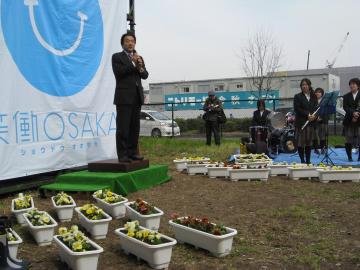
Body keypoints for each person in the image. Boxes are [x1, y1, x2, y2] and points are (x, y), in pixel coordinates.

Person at [112, 32, 149, 163]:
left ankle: (133, 152)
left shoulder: (139, 58)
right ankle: (123, 155)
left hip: (136, 97)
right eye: (127, 41)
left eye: (132, 41)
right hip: (123, 97)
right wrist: (133, 64)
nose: (130, 43)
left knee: (134, 127)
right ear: (123, 44)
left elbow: (145, 75)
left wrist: (140, 67)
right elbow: (119, 73)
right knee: (123, 127)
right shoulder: (117, 57)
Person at [293, 78, 317, 164]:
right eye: (303, 85)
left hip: (310, 123)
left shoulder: (314, 97)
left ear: (309, 86)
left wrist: (314, 116)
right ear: (301, 86)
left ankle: (308, 161)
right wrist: (307, 114)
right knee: (300, 143)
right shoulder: (297, 96)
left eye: (306, 84)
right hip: (301, 123)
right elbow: (297, 109)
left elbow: (316, 108)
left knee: (308, 143)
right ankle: (302, 160)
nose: (304, 86)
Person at [342, 78, 360, 161]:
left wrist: (357, 115)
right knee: (348, 139)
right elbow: (345, 107)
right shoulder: (346, 96)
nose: (351, 85)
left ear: (358, 85)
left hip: (359, 120)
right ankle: (349, 157)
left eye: (354, 84)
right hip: (349, 120)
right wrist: (353, 113)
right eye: (350, 84)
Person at [313, 88, 327, 155]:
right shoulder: (313, 101)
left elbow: (326, 111)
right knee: (315, 135)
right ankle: (315, 149)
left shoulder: (324, 101)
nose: (317, 93)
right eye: (316, 92)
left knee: (322, 135)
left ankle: (322, 148)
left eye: (319, 92)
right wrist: (315, 117)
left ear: (322, 94)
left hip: (322, 120)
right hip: (314, 121)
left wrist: (321, 117)